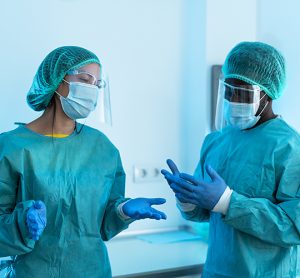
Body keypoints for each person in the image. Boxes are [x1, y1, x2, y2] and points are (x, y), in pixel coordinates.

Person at [0, 46, 167, 277]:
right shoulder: (11, 148)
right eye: (84, 80)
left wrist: (122, 210)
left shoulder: (102, 149)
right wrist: (22, 224)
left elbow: (100, 227)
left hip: (91, 270)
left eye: (97, 85)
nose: (91, 90)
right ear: (58, 81)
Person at [161, 42, 300, 277]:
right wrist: (188, 200)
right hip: (217, 269)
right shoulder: (216, 141)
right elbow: (204, 213)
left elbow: (293, 227)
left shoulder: (290, 147)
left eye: (243, 92)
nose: (233, 98)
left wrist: (228, 202)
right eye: (229, 90)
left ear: (267, 92)